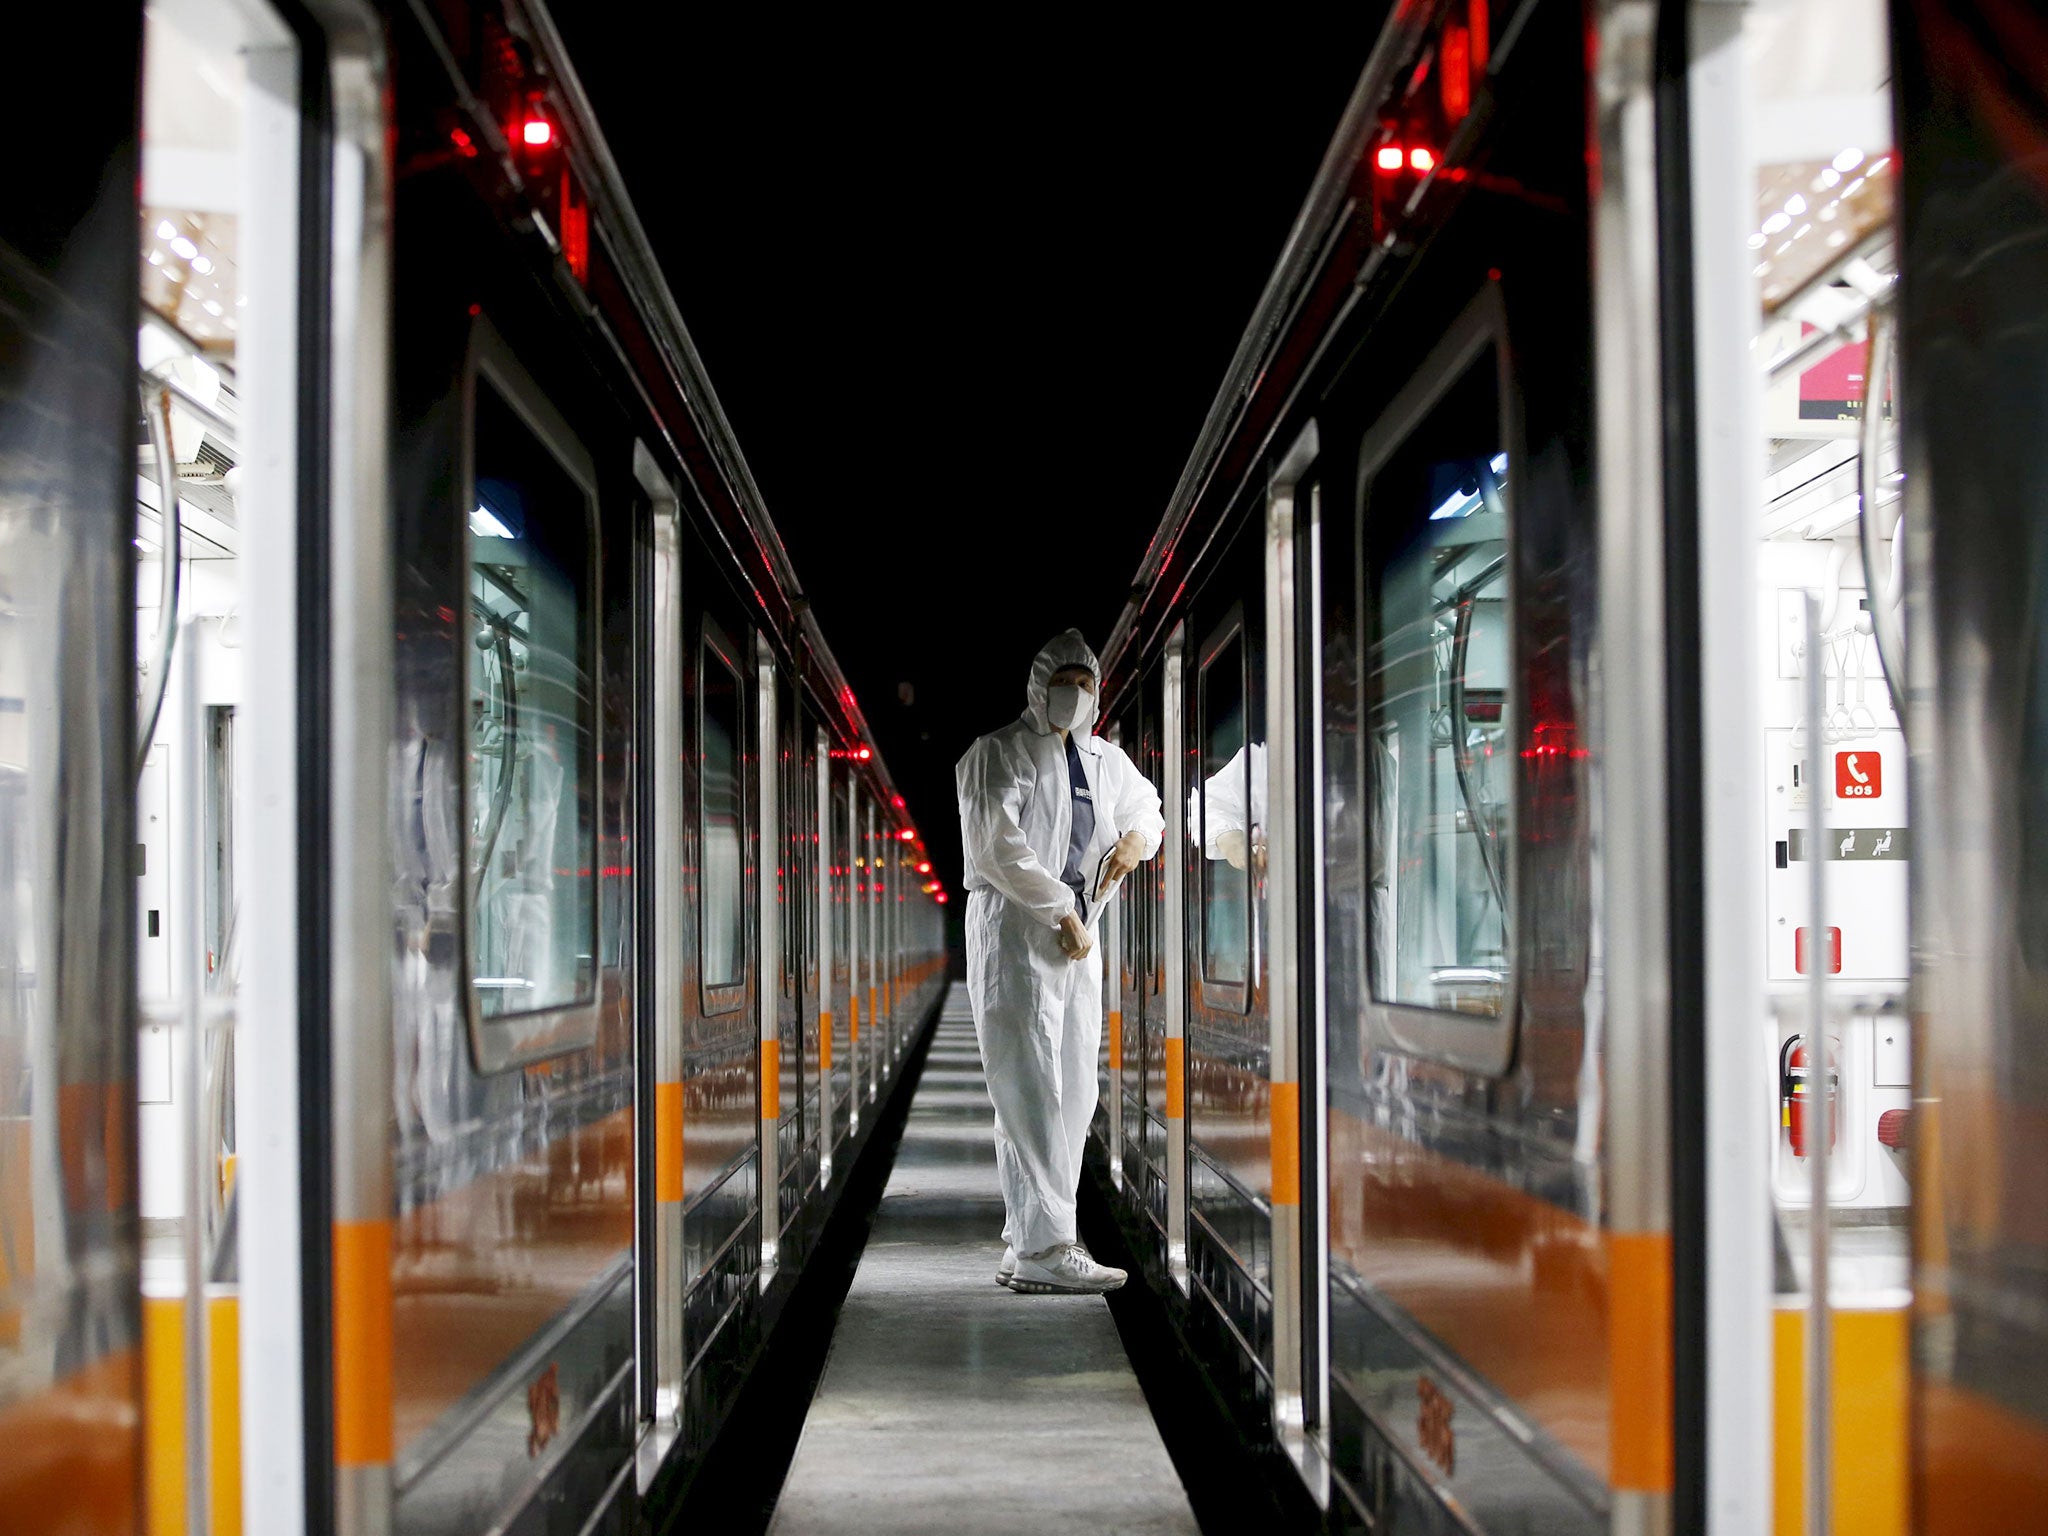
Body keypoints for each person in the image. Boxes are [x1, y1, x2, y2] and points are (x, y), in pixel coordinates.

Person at [956, 630, 1164, 1294]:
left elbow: (1150, 810)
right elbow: (998, 846)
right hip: (1016, 928)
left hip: (1081, 933)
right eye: (1061, 680)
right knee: (1024, 1083)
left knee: (1074, 1085)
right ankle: (1050, 1248)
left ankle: (1029, 1241)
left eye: (1083, 681)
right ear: (1038, 683)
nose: (1073, 693)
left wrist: (1135, 841)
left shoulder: (1107, 759)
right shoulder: (998, 752)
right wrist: (1059, 911)